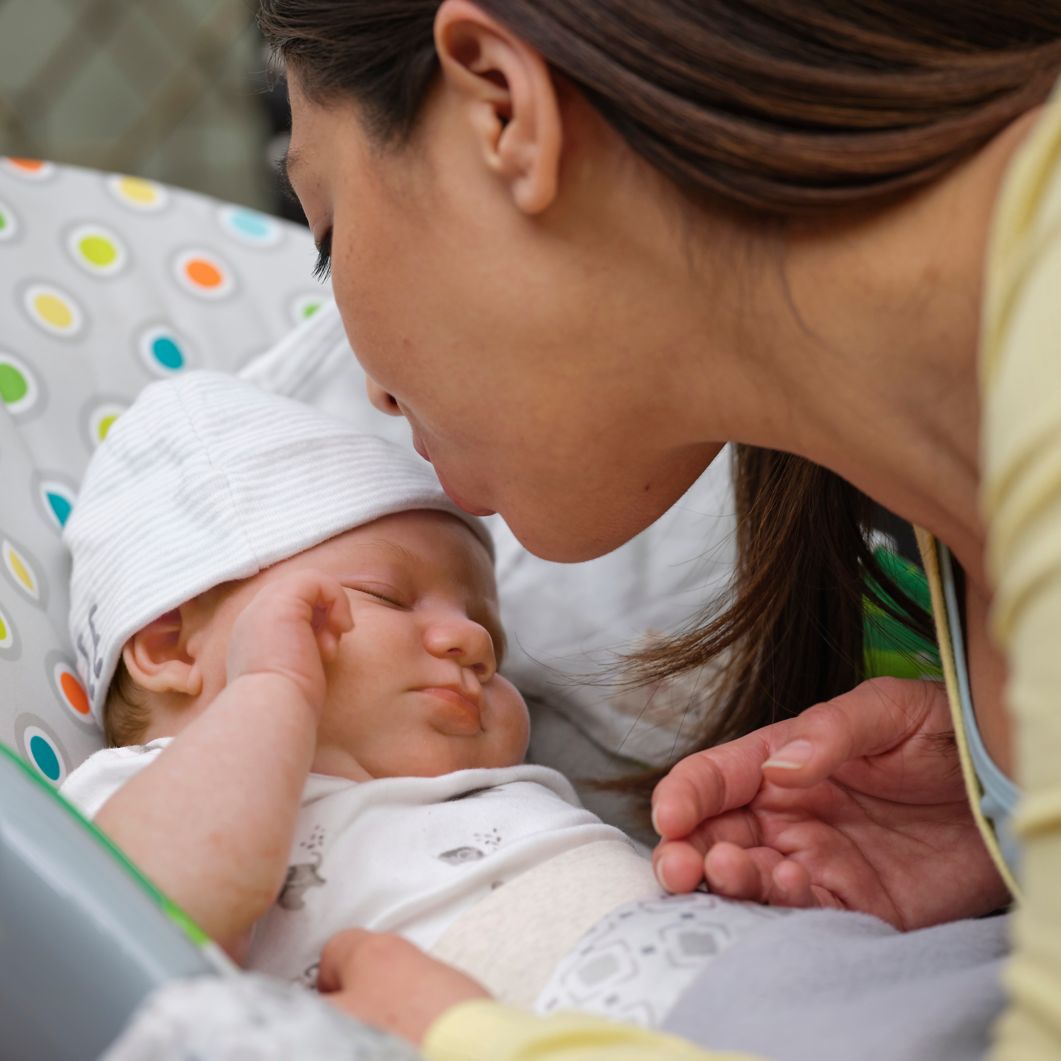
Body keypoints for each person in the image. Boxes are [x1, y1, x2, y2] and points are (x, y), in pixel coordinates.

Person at [254, 1, 1061, 1057]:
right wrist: (1012, 806)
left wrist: (476, 1038)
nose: (370, 389)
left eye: (327, 239)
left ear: (501, 104)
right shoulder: (949, 530)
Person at [60, 370, 780, 1058]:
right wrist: (271, 687)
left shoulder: (497, 788)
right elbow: (140, 927)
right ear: (169, 645)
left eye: (489, 638)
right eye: (385, 595)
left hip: (751, 983)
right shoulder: (141, 791)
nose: (470, 642)